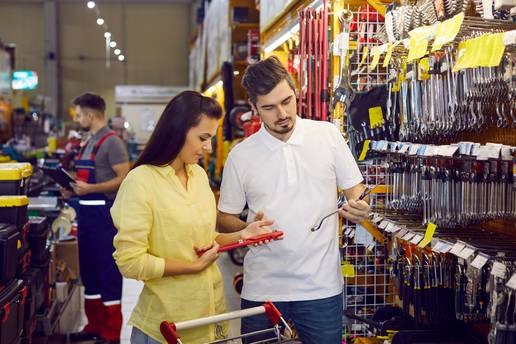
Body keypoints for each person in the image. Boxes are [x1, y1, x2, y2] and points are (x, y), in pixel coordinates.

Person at [217, 56, 371, 344]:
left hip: (320, 289)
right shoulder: (241, 155)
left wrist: (359, 207)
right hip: (262, 289)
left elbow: (356, 191)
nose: (282, 113)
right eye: (269, 107)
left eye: (287, 101)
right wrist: (244, 231)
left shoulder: (327, 136)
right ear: (253, 108)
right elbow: (225, 216)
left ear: (294, 91)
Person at [110, 91, 274, 344]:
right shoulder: (140, 182)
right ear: (177, 131)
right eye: (203, 138)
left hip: (210, 321)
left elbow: (207, 239)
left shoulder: (197, 176)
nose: (208, 147)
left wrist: (243, 235)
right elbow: (130, 262)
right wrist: (192, 267)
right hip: (165, 329)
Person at [65, 92, 130, 344]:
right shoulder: (89, 141)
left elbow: (124, 178)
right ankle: (94, 325)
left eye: (79, 114)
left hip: (104, 217)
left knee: (107, 272)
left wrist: (89, 189)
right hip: (86, 216)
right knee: (90, 273)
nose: (78, 119)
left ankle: (111, 333)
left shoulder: (112, 142)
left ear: (91, 115)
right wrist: (70, 187)